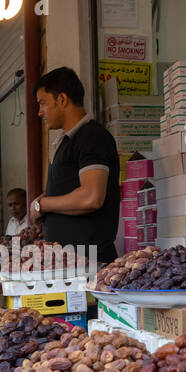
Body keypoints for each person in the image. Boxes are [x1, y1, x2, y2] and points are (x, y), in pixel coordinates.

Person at [30, 67, 121, 264]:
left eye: (43, 104)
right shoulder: (68, 141)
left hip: (89, 265)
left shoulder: (92, 137)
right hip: (70, 266)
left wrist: (42, 205)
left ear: (62, 100)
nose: (39, 112)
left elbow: (91, 197)